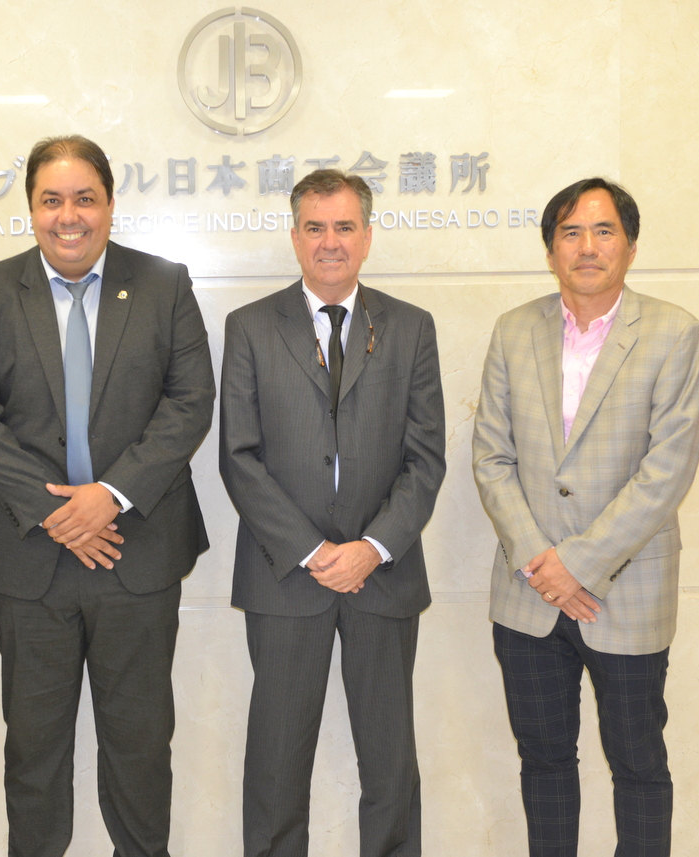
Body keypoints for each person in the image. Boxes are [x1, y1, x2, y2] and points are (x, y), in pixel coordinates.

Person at [0, 134, 215, 857]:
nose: (69, 216)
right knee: (33, 752)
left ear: (110, 204)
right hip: (29, 560)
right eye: (51, 200)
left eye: (85, 198)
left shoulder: (163, 284)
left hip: (138, 553)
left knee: (140, 748)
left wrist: (112, 494)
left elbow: (190, 402)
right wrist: (59, 512)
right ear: (31, 208)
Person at [472, 178, 699, 857]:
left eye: (604, 231)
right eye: (570, 232)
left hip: (627, 593)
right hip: (528, 595)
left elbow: (666, 472)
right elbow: (492, 457)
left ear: (630, 246)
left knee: (638, 763)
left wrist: (576, 564)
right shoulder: (514, 330)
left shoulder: (675, 333)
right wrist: (540, 562)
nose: (587, 246)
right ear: (550, 249)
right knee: (544, 762)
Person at [219, 169, 446, 857]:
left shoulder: (411, 327)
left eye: (344, 226)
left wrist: (371, 548)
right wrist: (314, 551)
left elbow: (425, 458)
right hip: (287, 578)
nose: (330, 242)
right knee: (276, 765)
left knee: (390, 764)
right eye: (315, 227)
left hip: (384, 576)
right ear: (294, 237)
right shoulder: (249, 327)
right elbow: (238, 457)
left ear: (367, 236)